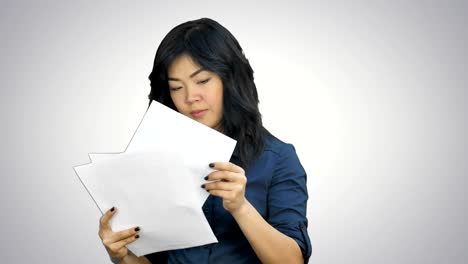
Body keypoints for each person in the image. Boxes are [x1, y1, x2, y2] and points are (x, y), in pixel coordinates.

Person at [98, 17, 312, 264]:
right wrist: (121, 254)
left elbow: (293, 261)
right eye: (177, 87)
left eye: (202, 81)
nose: (190, 97)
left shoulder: (277, 158)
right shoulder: (156, 157)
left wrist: (240, 208)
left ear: (230, 78)